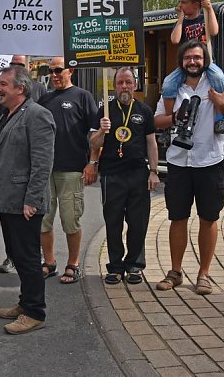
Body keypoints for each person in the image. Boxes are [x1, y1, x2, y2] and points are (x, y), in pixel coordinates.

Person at [153, 40, 224, 296]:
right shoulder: (172, 88)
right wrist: (175, 117)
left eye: (197, 57)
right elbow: (157, 121)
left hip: (210, 161)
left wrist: (222, 104)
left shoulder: (221, 84)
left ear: (205, 59)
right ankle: (175, 272)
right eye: (187, 58)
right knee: (177, 218)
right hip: (179, 162)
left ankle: (204, 274)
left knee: (208, 218)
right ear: (181, 61)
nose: (192, 62)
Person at [0, 65, 55, 334]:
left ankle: (35, 312)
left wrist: (33, 199)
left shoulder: (38, 115)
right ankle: (25, 303)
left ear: (20, 88)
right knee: (16, 254)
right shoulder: (7, 114)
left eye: (3, 84)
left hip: (25, 203)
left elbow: (42, 163)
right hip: (9, 200)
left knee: (26, 258)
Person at [90, 67, 160, 284]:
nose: (124, 87)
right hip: (112, 175)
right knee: (113, 222)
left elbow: (151, 142)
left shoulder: (144, 111)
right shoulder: (105, 110)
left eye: (128, 82)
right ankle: (115, 266)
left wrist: (154, 171)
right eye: (120, 82)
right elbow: (93, 144)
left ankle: (134, 265)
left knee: (138, 223)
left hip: (138, 174)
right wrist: (102, 131)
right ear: (114, 85)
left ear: (135, 84)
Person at [37, 56, 99, 284]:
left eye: (58, 70)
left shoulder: (83, 96)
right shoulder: (45, 99)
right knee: (43, 219)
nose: (53, 75)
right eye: (50, 71)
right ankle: (49, 262)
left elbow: (95, 133)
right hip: (45, 170)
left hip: (72, 169)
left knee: (70, 219)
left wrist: (92, 163)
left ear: (70, 71)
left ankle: (73, 264)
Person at [162, 0, 224, 134]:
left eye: (184, 2)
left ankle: (220, 118)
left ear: (195, 5)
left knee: (218, 78)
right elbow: (175, 40)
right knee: (168, 83)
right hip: (186, 64)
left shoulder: (204, 17)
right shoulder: (182, 22)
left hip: (205, 62)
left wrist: (209, 9)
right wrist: (180, 19)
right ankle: (169, 124)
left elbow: (214, 31)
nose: (180, 5)